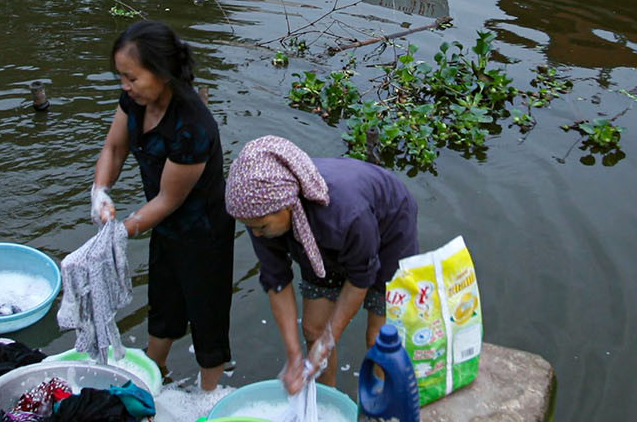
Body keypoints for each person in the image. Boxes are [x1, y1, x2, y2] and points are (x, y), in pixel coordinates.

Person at [91, 21, 234, 390]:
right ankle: (155, 372)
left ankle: (209, 395)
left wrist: (122, 230)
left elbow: (170, 199)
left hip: (204, 231)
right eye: (121, 76)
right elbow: (114, 148)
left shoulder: (192, 126)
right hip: (163, 223)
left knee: (207, 315)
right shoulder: (135, 102)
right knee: (163, 301)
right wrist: (101, 191)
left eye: (132, 77)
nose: (124, 86)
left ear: (162, 73)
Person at [225, 136, 419, 394]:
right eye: (250, 227)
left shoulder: (347, 215)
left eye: (260, 227)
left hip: (389, 226)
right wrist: (295, 356)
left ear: (286, 205)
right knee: (312, 329)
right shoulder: (257, 213)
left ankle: (383, 407)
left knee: (378, 339)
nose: (256, 234)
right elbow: (277, 280)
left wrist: (328, 342)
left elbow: (361, 278)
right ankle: (328, 400)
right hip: (314, 236)